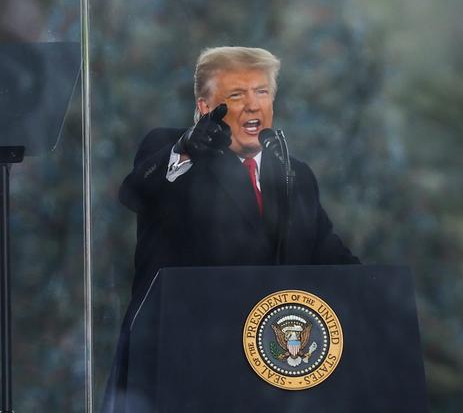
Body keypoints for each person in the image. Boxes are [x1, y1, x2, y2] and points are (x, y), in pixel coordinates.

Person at [102, 46, 359, 412]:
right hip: (180, 364)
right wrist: (187, 149)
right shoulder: (171, 149)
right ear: (206, 107)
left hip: (269, 372)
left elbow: (327, 253)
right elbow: (134, 193)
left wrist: (374, 293)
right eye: (237, 94)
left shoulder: (293, 172)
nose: (253, 105)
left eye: (262, 92)